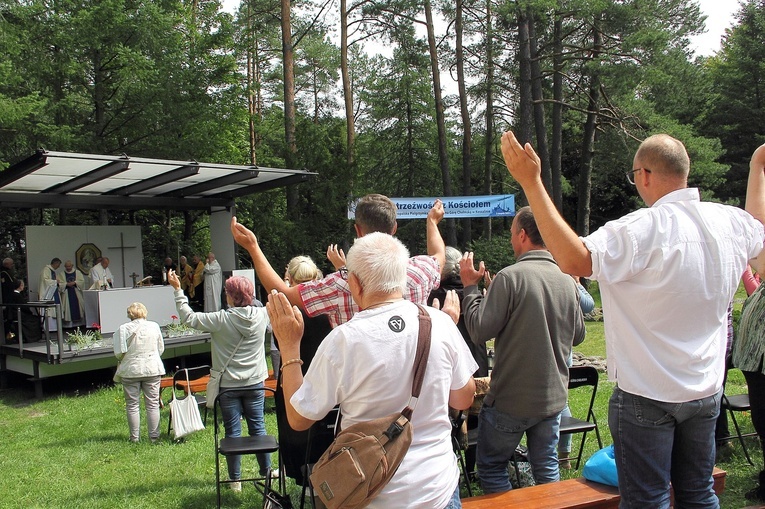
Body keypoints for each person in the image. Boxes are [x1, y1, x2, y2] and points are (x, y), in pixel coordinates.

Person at [500, 132, 765, 508]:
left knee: (647, 500)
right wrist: (756, 167)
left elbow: (574, 260)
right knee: (698, 492)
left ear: (643, 175)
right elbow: (760, 232)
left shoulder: (642, 228)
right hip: (706, 390)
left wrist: (531, 182)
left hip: (647, 395)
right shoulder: (731, 222)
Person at [267, 232, 477, 508]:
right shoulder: (440, 322)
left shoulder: (344, 340)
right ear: (402, 276)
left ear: (354, 282)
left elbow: (299, 417)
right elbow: (463, 399)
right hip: (438, 490)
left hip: (373, 494)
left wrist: (289, 347)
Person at [460, 206, 586, 493]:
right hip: (552, 400)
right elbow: (578, 334)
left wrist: (470, 289)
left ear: (522, 235)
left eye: (512, 234)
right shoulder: (567, 280)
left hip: (510, 401)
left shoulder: (509, 278)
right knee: (547, 466)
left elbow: (479, 330)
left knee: (492, 467)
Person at [231, 194, 446, 328]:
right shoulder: (420, 271)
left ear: (358, 231)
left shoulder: (340, 284)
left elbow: (283, 293)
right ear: (394, 229)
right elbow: (439, 255)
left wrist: (253, 247)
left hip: (360, 396)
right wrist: (432, 222)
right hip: (416, 396)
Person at [168, 270, 272, 491]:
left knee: (233, 432)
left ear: (232, 296)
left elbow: (189, 318)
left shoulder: (220, 319)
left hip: (228, 386)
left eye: (227, 292)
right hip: (255, 383)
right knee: (259, 429)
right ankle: (267, 474)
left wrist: (178, 290)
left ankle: (235, 480)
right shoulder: (263, 315)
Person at [273, 255, 333, 484]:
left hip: (293, 375)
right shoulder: (327, 307)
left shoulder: (288, 309)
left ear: (289, 278)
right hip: (324, 379)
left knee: (296, 429)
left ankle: (300, 474)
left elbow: (280, 343)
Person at [113, 302, 166, 443]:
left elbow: (118, 353)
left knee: (132, 405)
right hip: (152, 368)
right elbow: (160, 349)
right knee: (153, 404)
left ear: (129, 314)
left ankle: (134, 438)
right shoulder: (154, 326)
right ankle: (154, 437)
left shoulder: (123, 329)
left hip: (131, 370)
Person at [558, 274, 595, 469]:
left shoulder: (566, 279)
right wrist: (576, 283)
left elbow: (588, 305)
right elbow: (588, 305)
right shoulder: (564, 278)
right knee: (560, 403)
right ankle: (562, 458)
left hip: (560, 350)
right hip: (563, 349)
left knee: (561, 403)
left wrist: (577, 283)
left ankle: (562, 458)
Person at [57, 260, 85, 328]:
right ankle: (68, 325)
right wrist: (66, 284)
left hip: (76, 292)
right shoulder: (61, 274)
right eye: (66, 266)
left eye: (69, 266)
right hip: (66, 293)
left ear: (72, 266)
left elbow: (82, 281)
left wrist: (75, 283)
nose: (68, 268)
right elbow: (59, 284)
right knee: (67, 309)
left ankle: (78, 325)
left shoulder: (77, 273)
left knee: (78, 308)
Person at [2, 258, 16, 331]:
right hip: (7, 300)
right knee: (8, 318)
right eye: (11, 264)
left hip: (9, 299)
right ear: (7, 264)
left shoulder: (7, 273)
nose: (12, 266)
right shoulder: (4, 273)